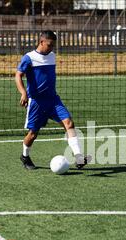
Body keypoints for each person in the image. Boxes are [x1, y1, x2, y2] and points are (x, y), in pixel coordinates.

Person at [15, 30, 90, 170]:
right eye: (49, 45)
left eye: (53, 45)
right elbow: (18, 75)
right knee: (33, 134)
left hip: (54, 100)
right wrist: (23, 93)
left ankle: (79, 157)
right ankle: (25, 156)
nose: (51, 48)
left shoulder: (52, 56)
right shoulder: (29, 58)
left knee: (69, 123)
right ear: (41, 42)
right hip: (36, 102)